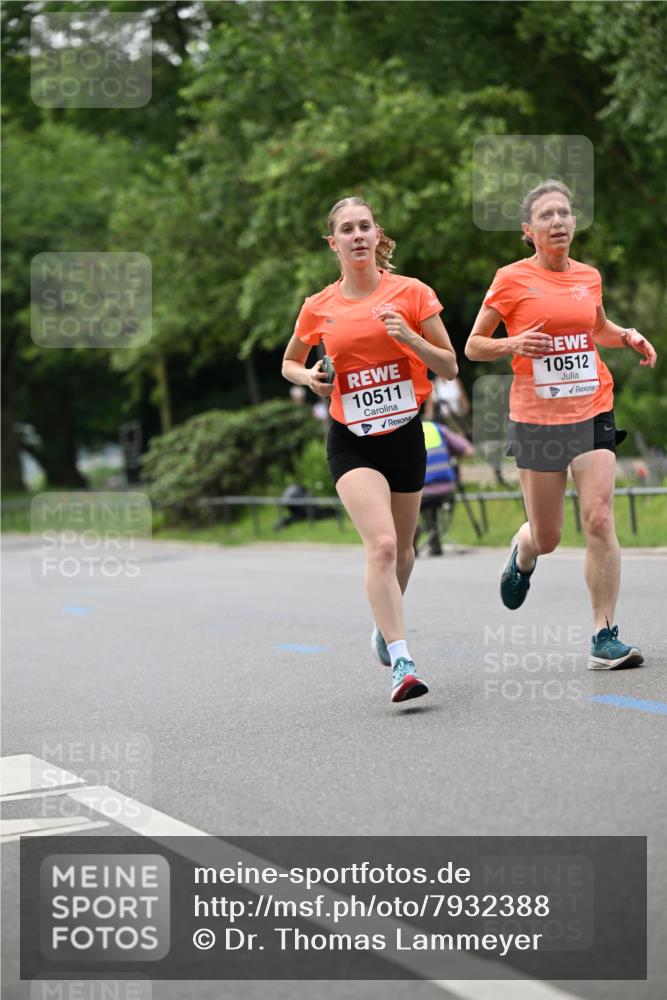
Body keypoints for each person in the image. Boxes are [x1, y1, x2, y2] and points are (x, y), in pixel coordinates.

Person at [465, 179, 657, 669]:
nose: (559, 222)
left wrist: (627, 335)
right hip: (536, 419)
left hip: (592, 405)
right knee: (548, 536)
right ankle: (524, 551)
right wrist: (513, 345)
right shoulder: (510, 279)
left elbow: (596, 329)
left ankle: (604, 635)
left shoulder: (588, 276)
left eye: (565, 214)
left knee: (598, 517)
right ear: (528, 230)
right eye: (547, 215)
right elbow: (474, 345)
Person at [282, 196, 458, 702]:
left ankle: (386, 625)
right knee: (380, 545)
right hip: (351, 438)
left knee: (404, 550)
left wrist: (410, 339)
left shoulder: (413, 293)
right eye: (347, 229)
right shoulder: (319, 306)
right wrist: (309, 376)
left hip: (405, 433)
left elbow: (448, 366)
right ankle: (402, 662)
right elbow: (290, 362)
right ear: (332, 242)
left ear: (378, 236)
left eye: (365, 227)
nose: (357, 236)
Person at [417, 394, 474, 556]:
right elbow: (468, 450)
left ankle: (422, 536)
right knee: (434, 501)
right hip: (447, 489)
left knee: (419, 499)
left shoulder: (410, 433)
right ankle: (435, 542)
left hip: (423, 492)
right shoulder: (439, 429)